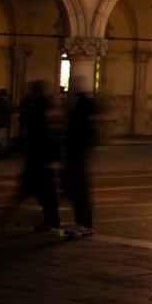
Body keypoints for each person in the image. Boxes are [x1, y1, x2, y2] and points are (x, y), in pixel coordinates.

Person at [0, 81, 60, 232]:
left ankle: (4, 219)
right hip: (40, 160)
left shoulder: (38, 111)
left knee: (38, 193)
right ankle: (51, 220)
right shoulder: (43, 109)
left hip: (39, 160)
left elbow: (40, 134)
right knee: (43, 194)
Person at [61, 91, 97, 236]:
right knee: (76, 192)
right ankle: (82, 223)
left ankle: (84, 224)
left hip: (77, 161)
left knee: (79, 192)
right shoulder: (81, 122)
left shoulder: (80, 123)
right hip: (75, 161)